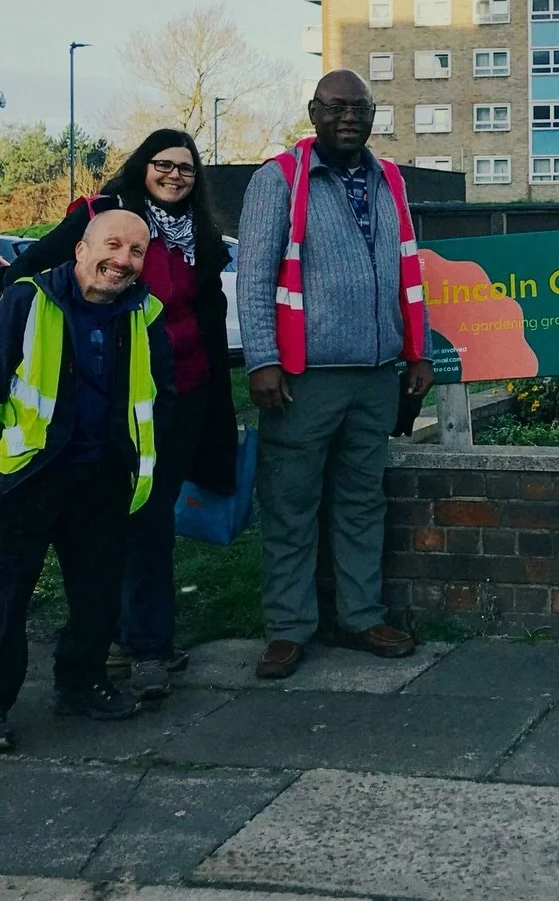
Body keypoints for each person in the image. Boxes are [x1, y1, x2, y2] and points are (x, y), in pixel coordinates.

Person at [3, 130, 236, 700]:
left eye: (186, 168)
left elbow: (206, 314)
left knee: (137, 536)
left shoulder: (191, 247)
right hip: (65, 431)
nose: (175, 175)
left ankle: (133, 651)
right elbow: (29, 272)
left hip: (163, 407)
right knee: (40, 568)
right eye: (163, 164)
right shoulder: (97, 227)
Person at [237, 69, 432, 681]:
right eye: (336, 107)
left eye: (360, 107)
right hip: (304, 376)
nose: (349, 117)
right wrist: (262, 359)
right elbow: (254, 278)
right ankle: (288, 628)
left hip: (376, 374)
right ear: (313, 111)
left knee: (360, 502)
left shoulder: (388, 179)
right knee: (291, 503)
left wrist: (417, 352)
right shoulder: (279, 180)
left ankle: (360, 616)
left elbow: (408, 271)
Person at [0, 210, 173, 748]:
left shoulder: (144, 312)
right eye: (113, 245)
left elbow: (159, 390)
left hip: (103, 476)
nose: (122, 260)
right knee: (6, 597)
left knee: (97, 593)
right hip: (28, 475)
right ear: (80, 248)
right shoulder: (27, 300)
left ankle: (82, 683)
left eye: (136, 252)